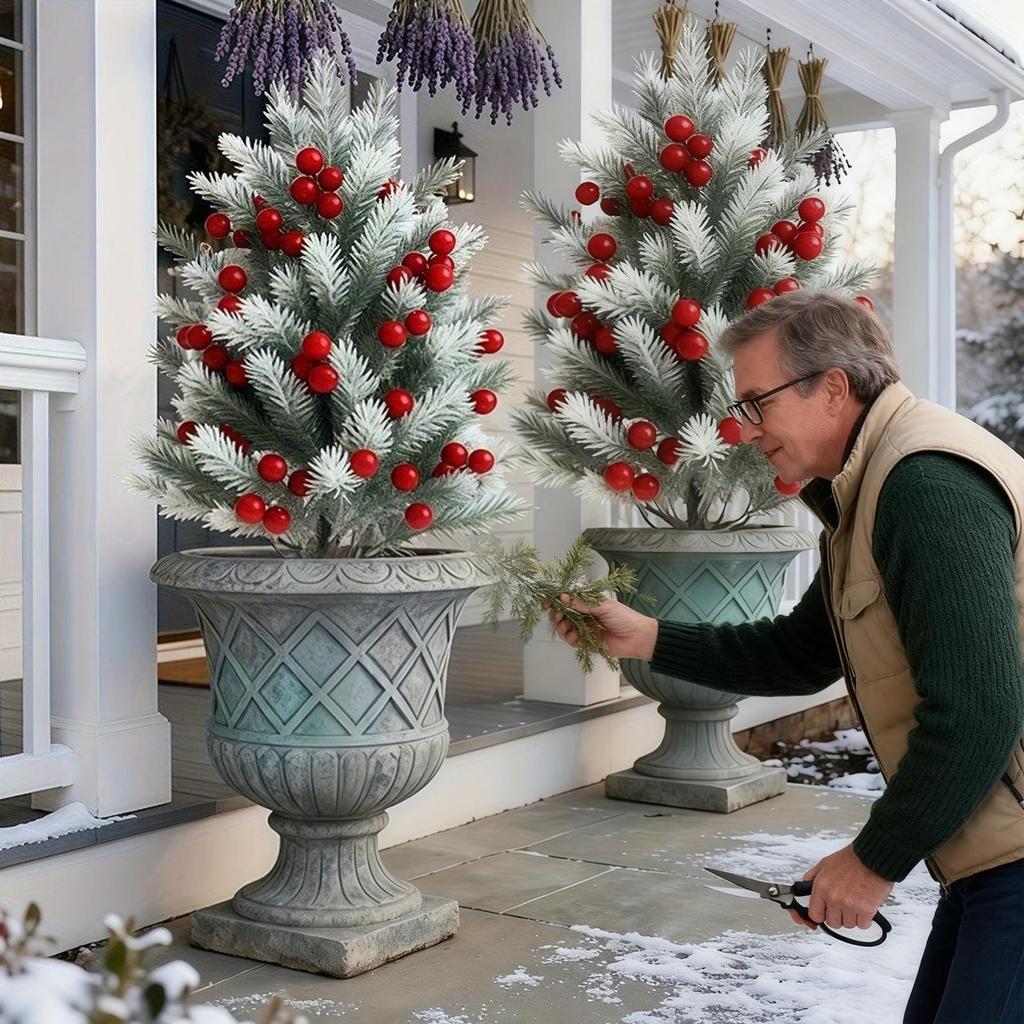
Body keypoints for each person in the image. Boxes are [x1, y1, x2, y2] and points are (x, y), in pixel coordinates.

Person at [549, 291, 1024, 1024]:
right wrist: (643, 636)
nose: (744, 431)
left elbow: (979, 713)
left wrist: (872, 862)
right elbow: (803, 655)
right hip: (989, 857)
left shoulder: (927, 486)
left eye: (755, 403)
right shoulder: (864, 492)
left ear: (833, 387)